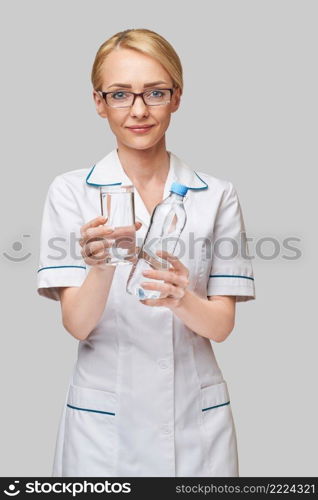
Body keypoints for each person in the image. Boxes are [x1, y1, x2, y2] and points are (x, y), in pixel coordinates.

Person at [37, 28, 256, 477]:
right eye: (120, 94)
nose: (139, 110)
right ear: (99, 102)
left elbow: (222, 326)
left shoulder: (216, 195)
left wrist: (182, 298)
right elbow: (78, 325)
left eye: (155, 92)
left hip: (195, 425)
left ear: (177, 97)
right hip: (103, 432)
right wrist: (99, 269)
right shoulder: (70, 192)